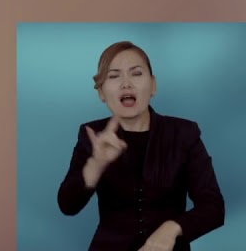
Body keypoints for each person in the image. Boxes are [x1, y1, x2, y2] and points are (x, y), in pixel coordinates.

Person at [57, 41, 225, 251]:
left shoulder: (184, 133)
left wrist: (172, 228)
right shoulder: (92, 135)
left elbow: (213, 208)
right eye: (114, 76)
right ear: (101, 92)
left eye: (136, 73)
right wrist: (95, 166)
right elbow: (67, 205)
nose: (126, 84)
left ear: (153, 85)